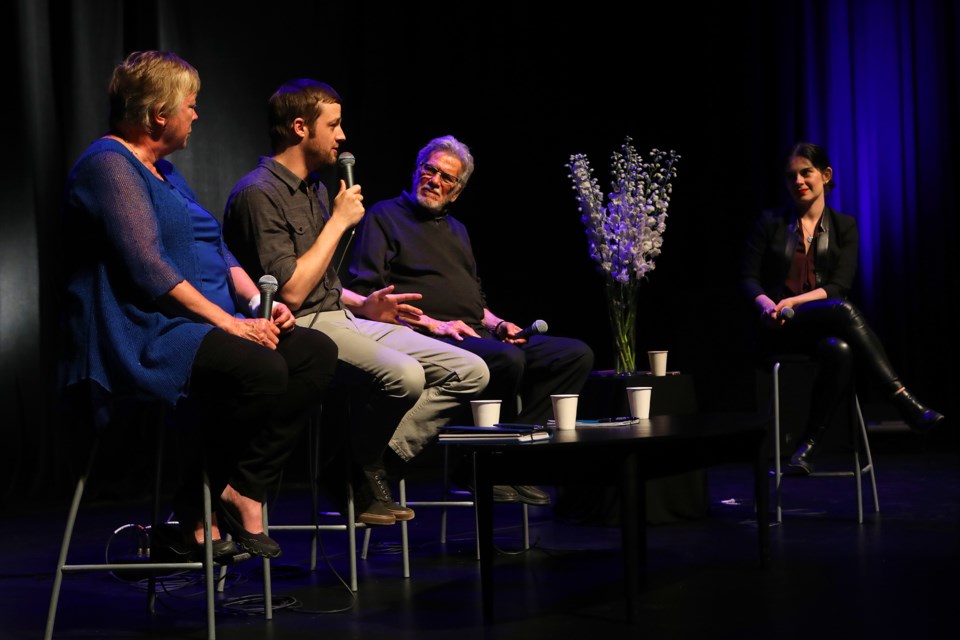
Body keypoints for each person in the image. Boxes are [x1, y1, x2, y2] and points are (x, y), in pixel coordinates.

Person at [58, 51, 338, 562]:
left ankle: (242, 488)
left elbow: (217, 247)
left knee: (314, 352)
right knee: (259, 369)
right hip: (140, 331)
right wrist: (231, 324)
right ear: (159, 113)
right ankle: (195, 508)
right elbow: (148, 269)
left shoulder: (164, 171)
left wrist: (256, 303)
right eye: (191, 104)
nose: (196, 114)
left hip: (197, 323)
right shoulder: (109, 165)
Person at [222, 80, 491, 522]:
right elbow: (290, 290)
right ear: (299, 128)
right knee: (404, 375)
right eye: (334, 125)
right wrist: (339, 223)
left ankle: (360, 463)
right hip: (302, 327)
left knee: (471, 370)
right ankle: (356, 469)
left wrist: (364, 305)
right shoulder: (258, 193)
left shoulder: (315, 189)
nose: (342, 136)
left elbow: (323, 277)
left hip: (341, 315)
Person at [346, 135, 595, 506]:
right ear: (417, 171)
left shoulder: (457, 230)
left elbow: (476, 304)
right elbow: (374, 299)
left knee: (574, 355)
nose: (435, 180)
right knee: (507, 361)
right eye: (429, 170)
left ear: (457, 191)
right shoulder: (384, 216)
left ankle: (512, 459)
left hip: (474, 333)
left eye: (447, 178)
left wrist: (498, 325)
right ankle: (479, 464)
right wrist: (434, 323)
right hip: (427, 337)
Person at [741, 141, 945, 475]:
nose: (799, 181)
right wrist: (767, 305)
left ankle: (805, 449)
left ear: (825, 175)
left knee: (842, 350)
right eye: (792, 176)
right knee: (843, 311)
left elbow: (838, 286)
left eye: (806, 173)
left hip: (815, 323)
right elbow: (748, 277)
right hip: (776, 329)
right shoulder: (770, 223)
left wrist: (794, 301)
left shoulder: (844, 226)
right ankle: (903, 400)